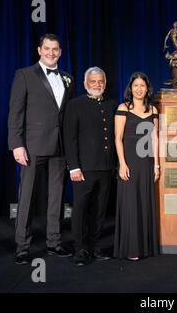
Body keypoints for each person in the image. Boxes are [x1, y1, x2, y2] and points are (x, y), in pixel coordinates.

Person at [8, 33, 74, 264]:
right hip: (33, 146)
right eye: (47, 48)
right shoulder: (24, 75)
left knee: (56, 197)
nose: (51, 53)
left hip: (60, 146)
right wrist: (16, 144)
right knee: (26, 196)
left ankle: (54, 243)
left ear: (60, 52)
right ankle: (22, 246)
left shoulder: (68, 78)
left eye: (55, 49)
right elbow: (15, 113)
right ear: (39, 50)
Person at [63, 67, 118, 266]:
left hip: (106, 167)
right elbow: (70, 139)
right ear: (85, 84)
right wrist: (73, 167)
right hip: (83, 169)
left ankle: (94, 246)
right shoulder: (75, 105)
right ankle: (80, 249)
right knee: (80, 210)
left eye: (100, 81)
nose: (97, 85)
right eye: (93, 81)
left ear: (105, 83)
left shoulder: (112, 104)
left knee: (99, 209)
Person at [114, 72, 159, 261]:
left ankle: (145, 247)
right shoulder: (122, 108)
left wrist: (156, 164)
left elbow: (155, 138)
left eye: (142, 85)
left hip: (146, 162)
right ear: (130, 88)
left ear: (147, 88)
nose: (139, 89)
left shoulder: (154, 110)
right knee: (131, 203)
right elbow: (118, 138)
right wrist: (122, 164)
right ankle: (131, 249)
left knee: (144, 201)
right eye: (136, 86)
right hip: (130, 161)